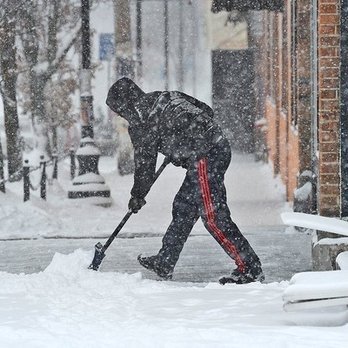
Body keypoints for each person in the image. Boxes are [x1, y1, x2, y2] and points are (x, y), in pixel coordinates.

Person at [106, 77, 264, 284]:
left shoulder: (142, 122)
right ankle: (165, 261)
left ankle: (250, 268)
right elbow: (206, 110)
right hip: (214, 147)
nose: (119, 114)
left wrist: (137, 195)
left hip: (206, 155)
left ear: (124, 105)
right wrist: (180, 142)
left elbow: (145, 165)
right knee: (184, 207)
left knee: (213, 216)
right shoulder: (166, 97)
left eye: (118, 110)